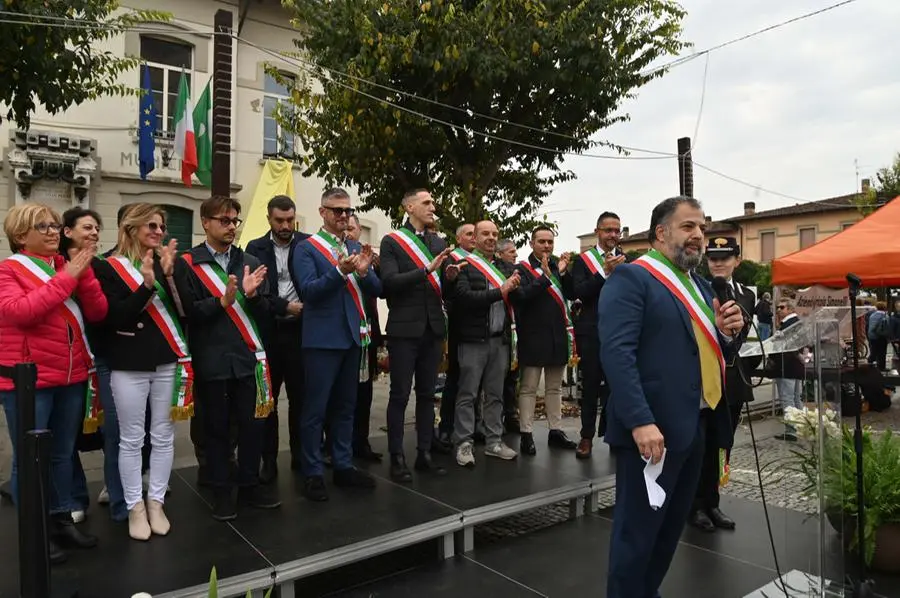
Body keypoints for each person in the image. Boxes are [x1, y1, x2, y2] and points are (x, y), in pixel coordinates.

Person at [599, 196, 745, 598]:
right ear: (660, 233)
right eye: (688, 227)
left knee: (667, 534)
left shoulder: (698, 285)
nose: (699, 235)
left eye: (701, 227)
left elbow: (710, 352)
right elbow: (617, 354)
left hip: (695, 427)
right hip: (652, 432)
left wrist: (727, 335)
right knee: (637, 536)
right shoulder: (633, 278)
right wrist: (641, 421)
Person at [0, 203, 108, 564]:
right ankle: (34, 532)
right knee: (30, 461)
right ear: (20, 235)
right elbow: (21, 312)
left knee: (63, 453)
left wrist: (84, 274)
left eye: (54, 225)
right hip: (29, 382)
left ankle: (62, 519)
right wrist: (68, 276)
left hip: (70, 375)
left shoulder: (65, 266)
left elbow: (97, 312)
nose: (52, 232)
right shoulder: (8, 270)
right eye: (42, 226)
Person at [174, 195, 280, 520]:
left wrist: (252, 296)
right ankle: (222, 492)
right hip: (212, 360)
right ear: (205, 222)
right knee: (216, 431)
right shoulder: (188, 263)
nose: (231, 226)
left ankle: (249, 486)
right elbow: (188, 312)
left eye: (234, 220)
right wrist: (222, 302)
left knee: (252, 428)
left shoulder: (249, 259)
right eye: (223, 220)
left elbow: (266, 311)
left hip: (247, 359)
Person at [94, 203, 187, 541]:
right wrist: (146, 285)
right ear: (131, 229)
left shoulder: (167, 265)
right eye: (151, 225)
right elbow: (115, 316)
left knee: (163, 436)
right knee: (131, 439)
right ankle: (134, 506)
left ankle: (156, 502)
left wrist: (170, 275)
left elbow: (184, 311)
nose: (158, 232)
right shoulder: (105, 267)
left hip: (165, 358)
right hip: (127, 362)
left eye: (161, 226)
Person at [294, 188, 381, 501]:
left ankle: (343, 465)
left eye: (347, 211)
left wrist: (365, 269)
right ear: (322, 213)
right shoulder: (306, 248)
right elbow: (309, 291)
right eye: (337, 211)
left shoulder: (356, 245)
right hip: (322, 339)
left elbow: (376, 290)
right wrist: (339, 271)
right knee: (315, 409)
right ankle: (313, 471)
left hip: (354, 337)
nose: (344, 216)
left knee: (347, 407)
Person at [379, 189, 455, 482]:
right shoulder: (392, 241)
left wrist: (449, 277)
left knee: (427, 395)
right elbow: (388, 283)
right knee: (399, 395)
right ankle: (397, 457)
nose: (432, 207)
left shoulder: (438, 242)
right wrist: (426, 269)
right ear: (409, 206)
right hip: (403, 330)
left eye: (433, 202)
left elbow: (444, 292)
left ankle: (424, 453)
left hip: (433, 329)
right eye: (426, 203)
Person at [689, 236, 757, 533]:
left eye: (724, 258)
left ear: (736, 261)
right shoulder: (698, 289)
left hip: (734, 378)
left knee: (723, 446)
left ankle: (714, 501)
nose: (717, 262)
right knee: (702, 445)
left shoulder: (747, 294)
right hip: (707, 379)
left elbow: (744, 338)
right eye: (713, 257)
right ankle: (696, 505)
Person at [245, 195, 309, 479]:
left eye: (289, 220)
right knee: (267, 401)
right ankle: (268, 461)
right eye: (279, 220)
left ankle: (300, 456)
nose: (285, 225)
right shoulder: (254, 248)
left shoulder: (307, 244)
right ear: (269, 219)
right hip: (269, 333)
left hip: (301, 333)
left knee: (301, 400)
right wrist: (285, 306)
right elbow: (256, 295)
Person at [451, 220, 521, 466]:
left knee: (496, 395)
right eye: (485, 234)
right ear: (475, 237)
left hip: (499, 341)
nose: (491, 238)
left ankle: (494, 441)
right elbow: (464, 298)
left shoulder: (505, 266)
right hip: (473, 339)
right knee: (467, 394)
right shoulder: (464, 264)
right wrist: (500, 291)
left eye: (495, 234)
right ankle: (464, 443)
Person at [512, 225, 577, 455]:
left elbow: (570, 293)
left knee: (554, 387)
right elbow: (520, 296)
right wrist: (545, 277)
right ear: (532, 243)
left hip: (557, 335)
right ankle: (526, 433)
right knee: (529, 388)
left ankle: (556, 430)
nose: (547, 246)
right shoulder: (521, 268)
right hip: (533, 335)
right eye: (542, 242)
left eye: (550, 242)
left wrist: (564, 273)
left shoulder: (558, 266)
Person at [571, 211, 626, 459]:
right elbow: (577, 292)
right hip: (592, 331)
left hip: (620, 332)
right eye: (608, 230)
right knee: (591, 386)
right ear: (598, 232)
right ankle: (586, 437)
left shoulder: (627, 259)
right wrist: (603, 272)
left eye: (617, 230)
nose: (613, 235)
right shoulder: (583, 261)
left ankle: (614, 435)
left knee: (617, 386)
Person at [345, 213, 384, 461]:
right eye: (344, 228)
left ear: (360, 231)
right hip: (340, 332)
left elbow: (380, 290)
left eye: (351, 228)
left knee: (364, 391)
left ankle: (361, 442)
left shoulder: (373, 258)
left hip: (366, 331)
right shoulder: (332, 254)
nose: (347, 232)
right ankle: (337, 445)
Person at [435, 223, 476, 452]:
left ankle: (471, 426)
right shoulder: (452, 258)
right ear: (459, 239)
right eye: (469, 234)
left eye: (474, 234)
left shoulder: (482, 260)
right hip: (458, 326)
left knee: (473, 382)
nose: (473, 237)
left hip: (479, 328)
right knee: (455, 379)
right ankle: (447, 426)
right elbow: (445, 290)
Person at [495, 238, 521, 433]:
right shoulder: (495, 270)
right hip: (499, 328)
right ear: (500, 253)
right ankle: (496, 418)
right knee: (497, 378)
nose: (515, 255)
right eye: (512, 252)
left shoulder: (518, 270)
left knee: (512, 376)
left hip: (514, 328)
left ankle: (511, 414)